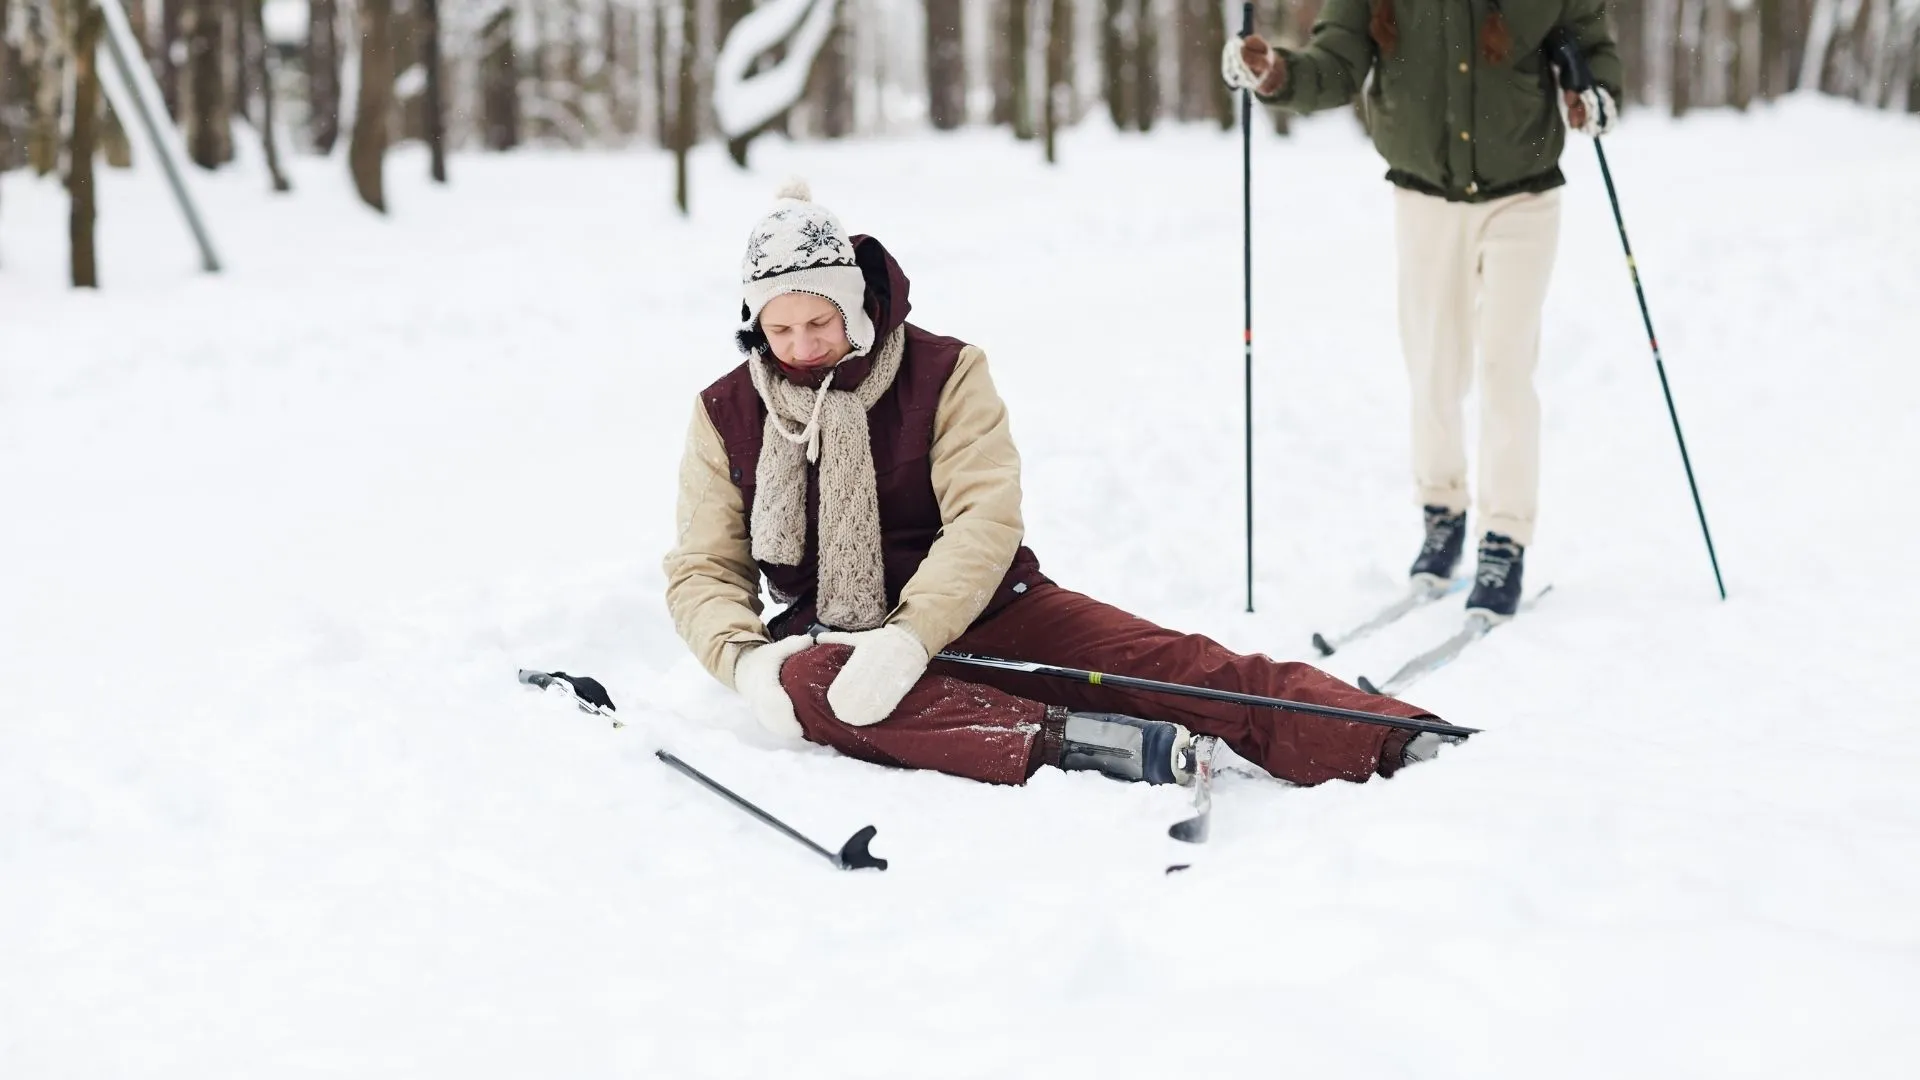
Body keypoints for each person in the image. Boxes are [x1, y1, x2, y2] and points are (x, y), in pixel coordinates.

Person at [663, 180, 1455, 790]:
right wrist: (744, 663)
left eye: (819, 322)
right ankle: (1076, 743)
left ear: (855, 306)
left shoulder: (945, 371)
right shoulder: (725, 411)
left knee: (1170, 666)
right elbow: (703, 566)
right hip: (840, 639)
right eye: (779, 328)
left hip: (992, 608)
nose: (802, 346)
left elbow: (983, 520)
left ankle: (1388, 735)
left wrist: (911, 638)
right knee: (806, 686)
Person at [1221, 2, 1623, 617]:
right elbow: (1337, 61)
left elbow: (1589, 43)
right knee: (1435, 367)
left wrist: (1595, 93)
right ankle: (1443, 511)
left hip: (1524, 193)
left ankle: (1505, 536)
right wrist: (1276, 73)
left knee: (1507, 369)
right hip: (1424, 196)